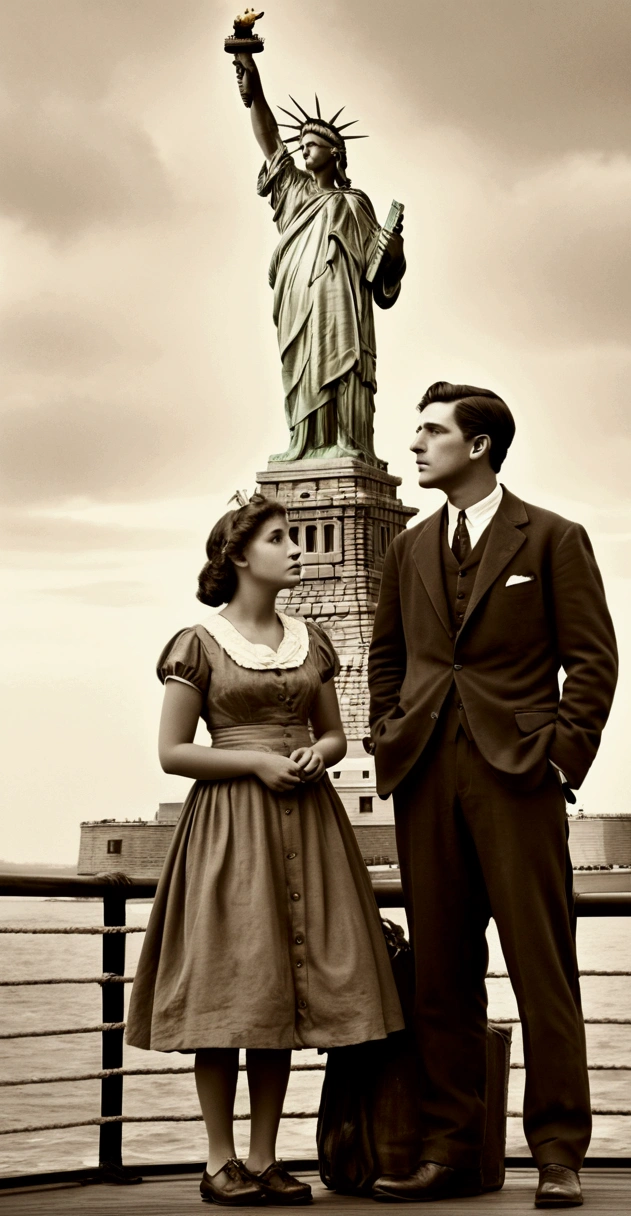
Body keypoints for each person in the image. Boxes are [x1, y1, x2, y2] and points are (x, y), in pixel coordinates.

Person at [367, 384, 618, 1208]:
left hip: (521, 781)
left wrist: (560, 757)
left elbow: (593, 661)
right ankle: (449, 1150)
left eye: (432, 432)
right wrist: (388, 736)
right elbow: (388, 658)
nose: (416, 444)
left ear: (478, 447)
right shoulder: (406, 551)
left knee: (543, 970)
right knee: (440, 975)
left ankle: (556, 1153)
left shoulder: (552, 538)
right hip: (426, 779)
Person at [126, 493, 403, 1206]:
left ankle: (263, 1156)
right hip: (229, 832)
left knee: (278, 991)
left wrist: (319, 753)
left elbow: (337, 733)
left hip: (306, 824)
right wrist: (254, 762)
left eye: (293, 537)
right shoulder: (198, 642)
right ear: (241, 557)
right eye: (281, 539)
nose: (297, 549)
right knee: (230, 991)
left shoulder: (308, 640)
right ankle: (219, 1160)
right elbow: (172, 752)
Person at [231, 51, 405, 466]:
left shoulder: (354, 202)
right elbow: (270, 140)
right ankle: (304, 444)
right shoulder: (293, 191)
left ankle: (347, 441)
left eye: (313, 145)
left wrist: (394, 249)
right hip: (297, 299)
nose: (304, 150)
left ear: (335, 153)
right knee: (303, 370)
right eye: (303, 145)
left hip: (340, 303)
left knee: (342, 367)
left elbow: (377, 271)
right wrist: (254, 91)